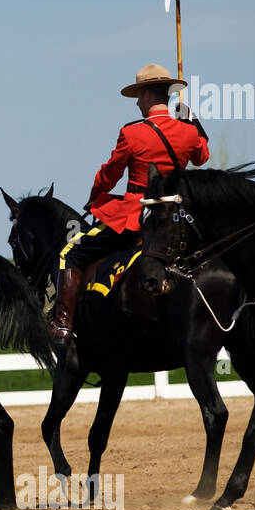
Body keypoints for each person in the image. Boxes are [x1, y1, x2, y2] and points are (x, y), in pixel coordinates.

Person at [49, 63, 210, 341]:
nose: (136, 102)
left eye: (138, 95)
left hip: (138, 216)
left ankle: (62, 323)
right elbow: (202, 157)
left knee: (70, 252)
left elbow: (110, 173)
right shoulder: (188, 132)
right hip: (176, 217)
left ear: (148, 95)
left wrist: (95, 195)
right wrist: (194, 123)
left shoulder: (133, 133)